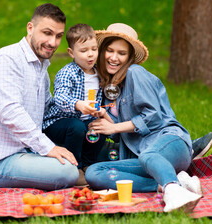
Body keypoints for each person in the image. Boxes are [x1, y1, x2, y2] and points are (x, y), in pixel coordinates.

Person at [85, 23, 205, 212]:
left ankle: (174, 194)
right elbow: (125, 131)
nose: (114, 57)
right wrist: (107, 118)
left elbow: (153, 117)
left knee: (150, 154)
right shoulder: (111, 87)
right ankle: (169, 183)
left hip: (170, 143)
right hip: (145, 158)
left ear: (130, 57)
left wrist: (115, 127)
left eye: (121, 53)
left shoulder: (135, 72)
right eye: (109, 50)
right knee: (94, 173)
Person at [0, 3, 79, 191]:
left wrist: (81, 109)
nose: (53, 42)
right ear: (30, 28)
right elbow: (10, 113)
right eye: (47, 33)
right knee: (68, 172)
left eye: (58, 36)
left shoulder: (41, 67)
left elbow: (48, 111)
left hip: (29, 150)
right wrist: (48, 148)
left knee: (92, 148)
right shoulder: (7, 59)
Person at [43, 24, 106, 186]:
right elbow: (60, 97)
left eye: (94, 49)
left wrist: (98, 111)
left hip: (84, 122)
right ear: (72, 53)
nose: (90, 54)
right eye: (84, 51)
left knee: (100, 128)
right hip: (58, 123)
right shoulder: (67, 73)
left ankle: (88, 164)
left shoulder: (99, 73)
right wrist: (78, 104)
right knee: (77, 127)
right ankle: (74, 167)